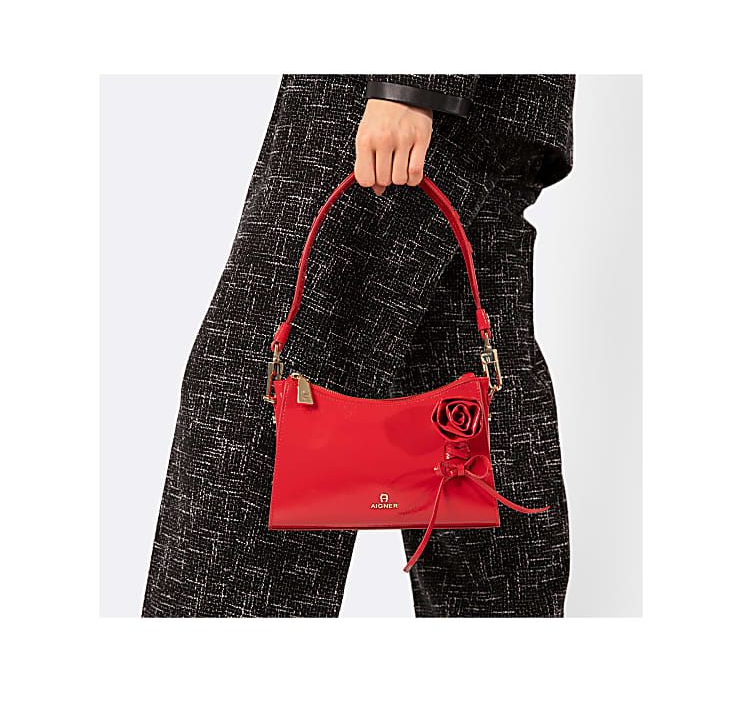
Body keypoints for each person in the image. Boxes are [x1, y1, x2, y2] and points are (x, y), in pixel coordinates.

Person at [142, 74, 574, 617]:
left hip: (400, 96)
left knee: (253, 403)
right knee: (468, 401)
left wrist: (410, 85)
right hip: (484, 103)